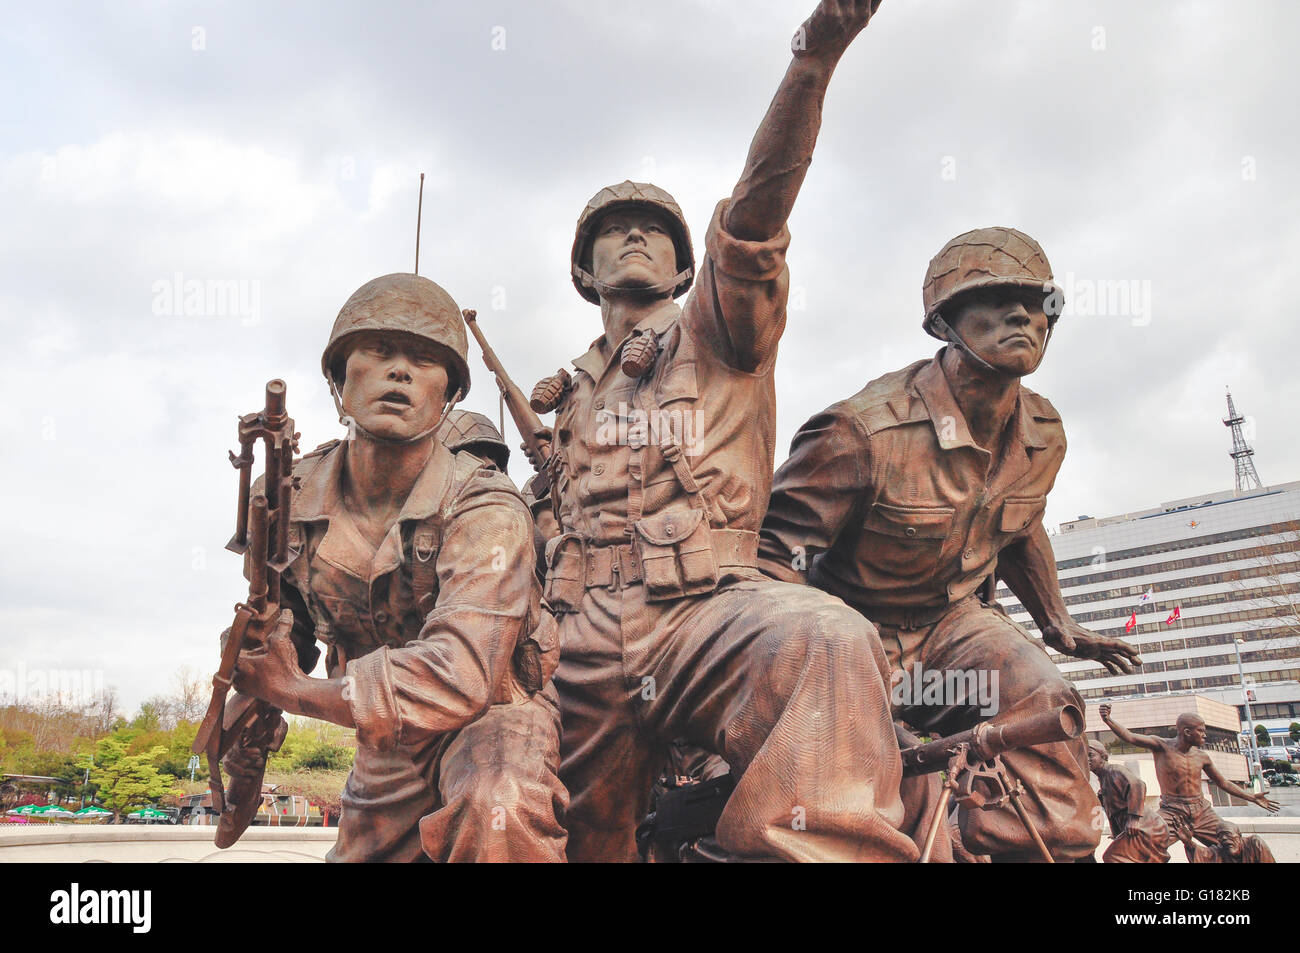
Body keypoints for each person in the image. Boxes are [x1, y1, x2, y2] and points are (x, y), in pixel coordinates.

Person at [528, 0, 920, 862]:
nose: (634, 236)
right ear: (581, 270)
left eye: (656, 233)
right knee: (580, 835)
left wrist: (810, 64)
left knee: (824, 640)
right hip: (578, 632)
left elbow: (755, 218)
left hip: (700, 611)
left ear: (682, 265)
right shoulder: (569, 390)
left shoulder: (717, 327)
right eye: (609, 232)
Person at [759, 226, 1143, 861]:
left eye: (1038, 303)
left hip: (955, 625)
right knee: (844, 802)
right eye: (995, 299)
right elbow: (773, 560)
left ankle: (1022, 848)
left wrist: (1059, 625)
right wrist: (823, 665)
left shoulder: (1044, 431)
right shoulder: (861, 432)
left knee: (1045, 703)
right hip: (854, 631)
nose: (1024, 314)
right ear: (945, 323)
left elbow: (1018, 524)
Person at [228, 273, 567, 862]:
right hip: (388, 738)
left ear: (450, 395)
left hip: (494, 718)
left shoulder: (486, 506)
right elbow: (287, 632)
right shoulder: (289, 496)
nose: (401, 372)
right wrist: (252, 689)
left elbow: (462, 674)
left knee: (498, 804)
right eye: (380, 352)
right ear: (339, 381)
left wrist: (293, 690)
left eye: (425, 360)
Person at [1101, 704, 1277, 860]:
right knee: (1138, 843)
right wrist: (1108, 720)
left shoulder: (1202, 757)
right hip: (1172, 812)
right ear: (1187, 732)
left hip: (1202, 812)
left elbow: (1223, 783)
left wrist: (1251, 797)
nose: (1204, 735)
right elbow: (1130, 737)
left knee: (1233, 845)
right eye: (1201, 731)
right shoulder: (1161, 746)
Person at [1087, 739, 1170, 863]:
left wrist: (1133, 819)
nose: (1087, 760)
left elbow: (1138, 785)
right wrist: (1117, 835)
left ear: (1103, 756)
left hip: (1147, 826)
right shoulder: (1103, 778)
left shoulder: (1114, 770)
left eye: (1091, 755)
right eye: (1083, 756)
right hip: (1137, 828)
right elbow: (1113, 814)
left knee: (1112, 857)